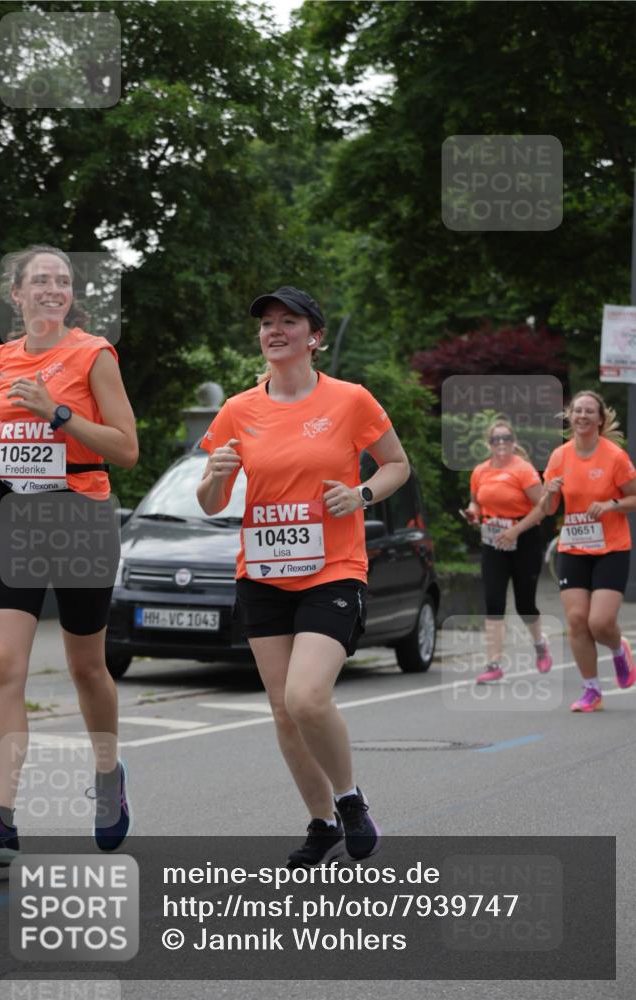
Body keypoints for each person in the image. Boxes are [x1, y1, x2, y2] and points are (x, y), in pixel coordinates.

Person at [197, 286, 410, 867]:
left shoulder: (350, 400)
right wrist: (216, 475)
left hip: (333, 569)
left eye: (288, 321)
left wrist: (361, 493)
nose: (274, 330)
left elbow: (396, 464)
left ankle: (349, 800)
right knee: (283, 710)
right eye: (266, 322)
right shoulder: (239, 410)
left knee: (306, 697)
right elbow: (211, 501)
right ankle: (321, 824)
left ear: (313, 337)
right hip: (263, 573)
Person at [0, 245, 138, 866]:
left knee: (86, 668)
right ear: (16, 295)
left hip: (80, 518)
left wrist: (59, 412)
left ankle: (109, 776)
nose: (52, 288)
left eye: (62, 281)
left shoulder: (93, 354)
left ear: (70, 297)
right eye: (39, 280)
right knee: (2, 665)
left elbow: (126, 448)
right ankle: (0, 820)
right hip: (18, 518)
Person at [540, 390, 636, 712]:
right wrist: (549, 492)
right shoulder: (559, 457)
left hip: (612, 547)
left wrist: (612, 505)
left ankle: (619, 648)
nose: (582, 416)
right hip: (574, 546)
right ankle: (591, 689)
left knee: (600, 622)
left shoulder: (615, 457)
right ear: (570, 416)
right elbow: (549, 508)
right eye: (577, 410)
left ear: (599, 419)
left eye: (588, 411)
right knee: (578, 619)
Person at [464, 418, 551, 683]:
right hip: (493, 541)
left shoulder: (523, 470)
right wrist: (473, 513)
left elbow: (543, 507)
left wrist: (516, 530)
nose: (501, 443)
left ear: (514, 442)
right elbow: (476, 502)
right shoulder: (480, 471)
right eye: (495, 439)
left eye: (506, 439)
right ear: (489, 444)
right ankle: (493, 663)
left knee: (525, 603)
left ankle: (539, 644)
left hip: (524, 539)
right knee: (493, 601)